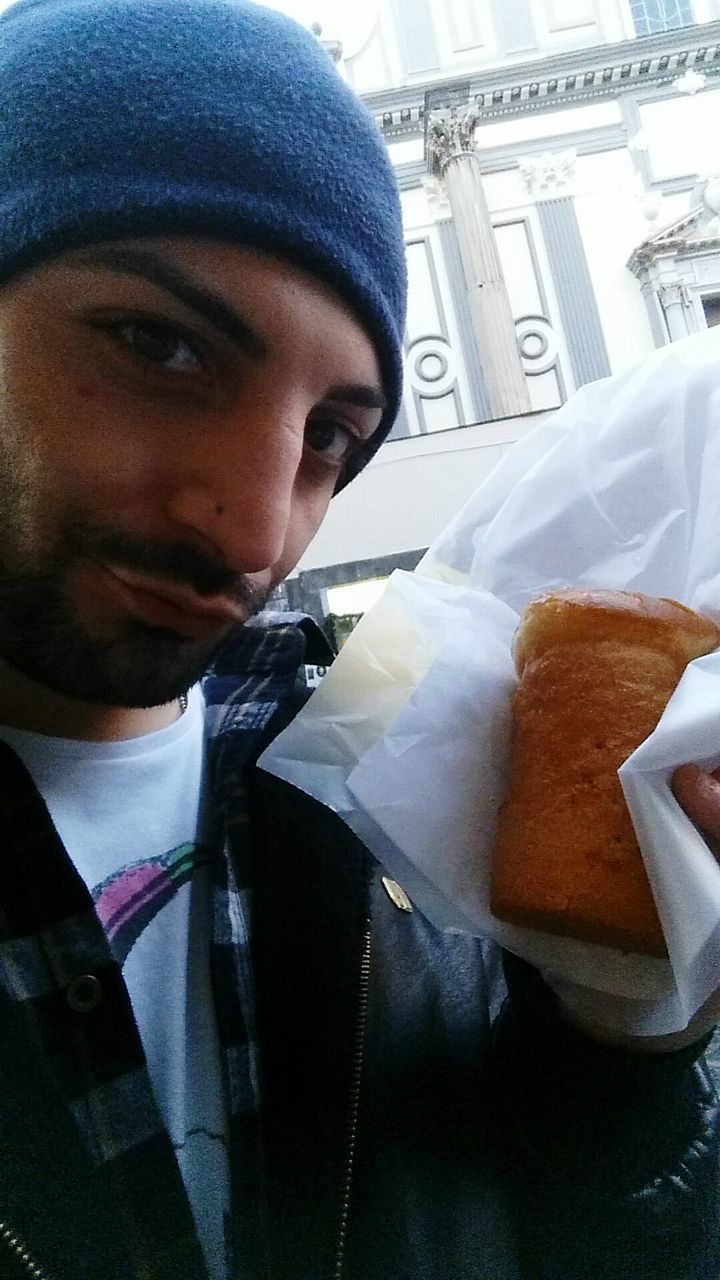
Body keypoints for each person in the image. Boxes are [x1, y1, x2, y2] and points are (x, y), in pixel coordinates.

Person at [0, 1, 718, 1278]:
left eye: (334, 432)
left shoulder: (403, 782)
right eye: (159, 345)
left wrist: (629, 1044)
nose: (255, 519)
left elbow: (574, 1221)